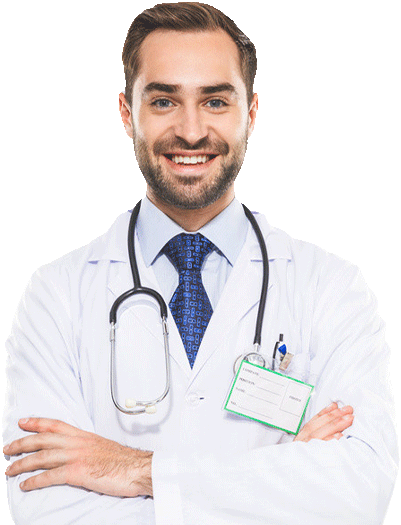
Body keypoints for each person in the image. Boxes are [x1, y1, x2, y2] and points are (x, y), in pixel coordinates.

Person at [3, 3, 397, 524]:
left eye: (214, 101)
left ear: (250, 113)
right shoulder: (56, 295)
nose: (191, 131)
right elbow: (48, 507)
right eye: (164, 101)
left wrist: (135, 471)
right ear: (127, 113)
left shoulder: (331, 288)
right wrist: (283, 479)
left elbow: (358, 492)